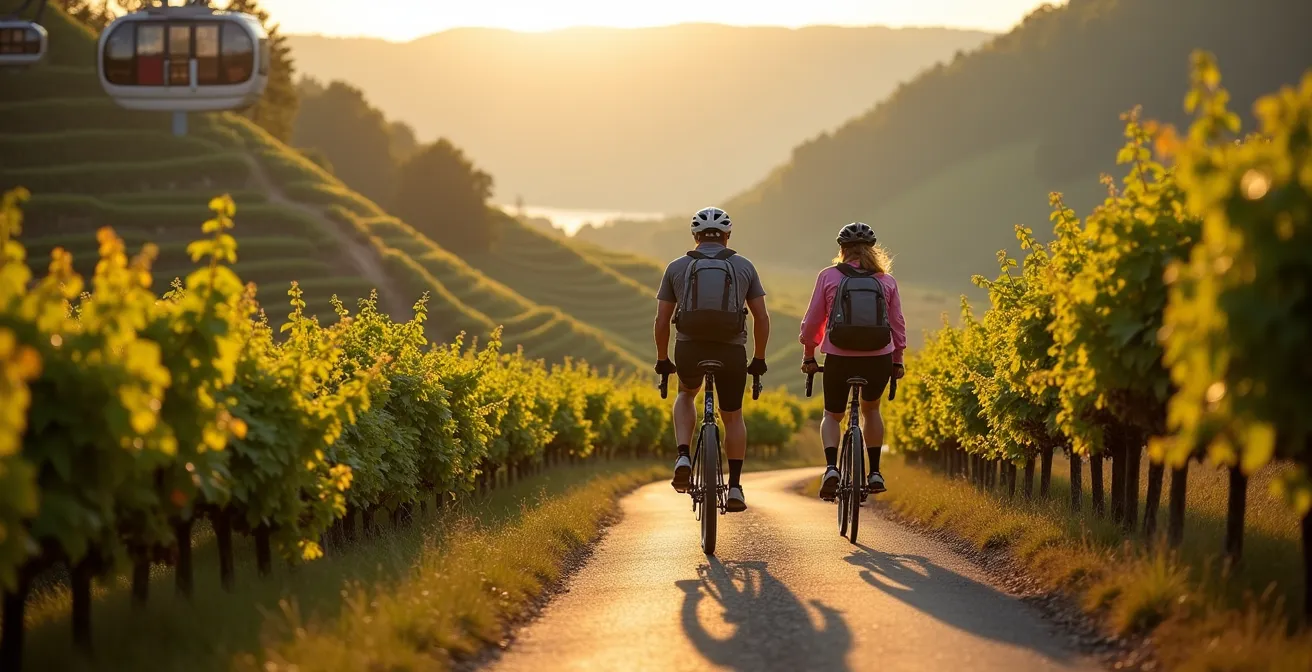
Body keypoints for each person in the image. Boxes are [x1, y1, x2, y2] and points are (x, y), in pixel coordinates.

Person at [654, 206, 770, 512]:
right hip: (731, 351)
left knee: (685, 394)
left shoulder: (676, 267)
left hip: (690, 348)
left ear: (695, 236)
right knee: (732, 415)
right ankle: (734, 487)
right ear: (727, 236)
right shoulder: (744, 266)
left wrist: (663, 359)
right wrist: (758, 358)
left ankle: (682, 454)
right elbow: (761, 316)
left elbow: (662, 320)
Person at [799, 222, 906, 499]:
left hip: (839, 357)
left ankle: (832, 468)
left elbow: (813, 321)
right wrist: (897, 360)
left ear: (842, 250)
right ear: (872, 250)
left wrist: (809, 355)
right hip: (878, 359)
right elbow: (897, 324)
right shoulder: (886, 281)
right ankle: (875, 472)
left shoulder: (829, 276)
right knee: (871, 410)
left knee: (832, 415)